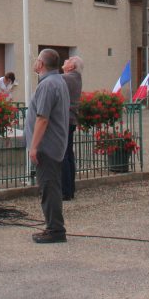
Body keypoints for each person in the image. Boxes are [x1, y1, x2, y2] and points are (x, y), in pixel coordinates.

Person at [25, 48, 70, 244]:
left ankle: (55, 230)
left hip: (47, 146)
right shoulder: (59, 81)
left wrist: (33, 147)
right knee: (51, 186)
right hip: (56, 143)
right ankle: (53, 227)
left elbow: (42, 119)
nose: (35, 62)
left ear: (41, 64)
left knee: (48, 187)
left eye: (37, 60)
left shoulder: (48, 85)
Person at [61, 56, 84, 201]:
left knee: (63, 155)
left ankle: (65, 191)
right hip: (71, 119)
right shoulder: (75, 78)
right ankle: (70, 188)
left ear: (71, 67)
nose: (65, 60)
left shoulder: (66, 78)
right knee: (68, 154)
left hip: (64, 119)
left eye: (68, 60)